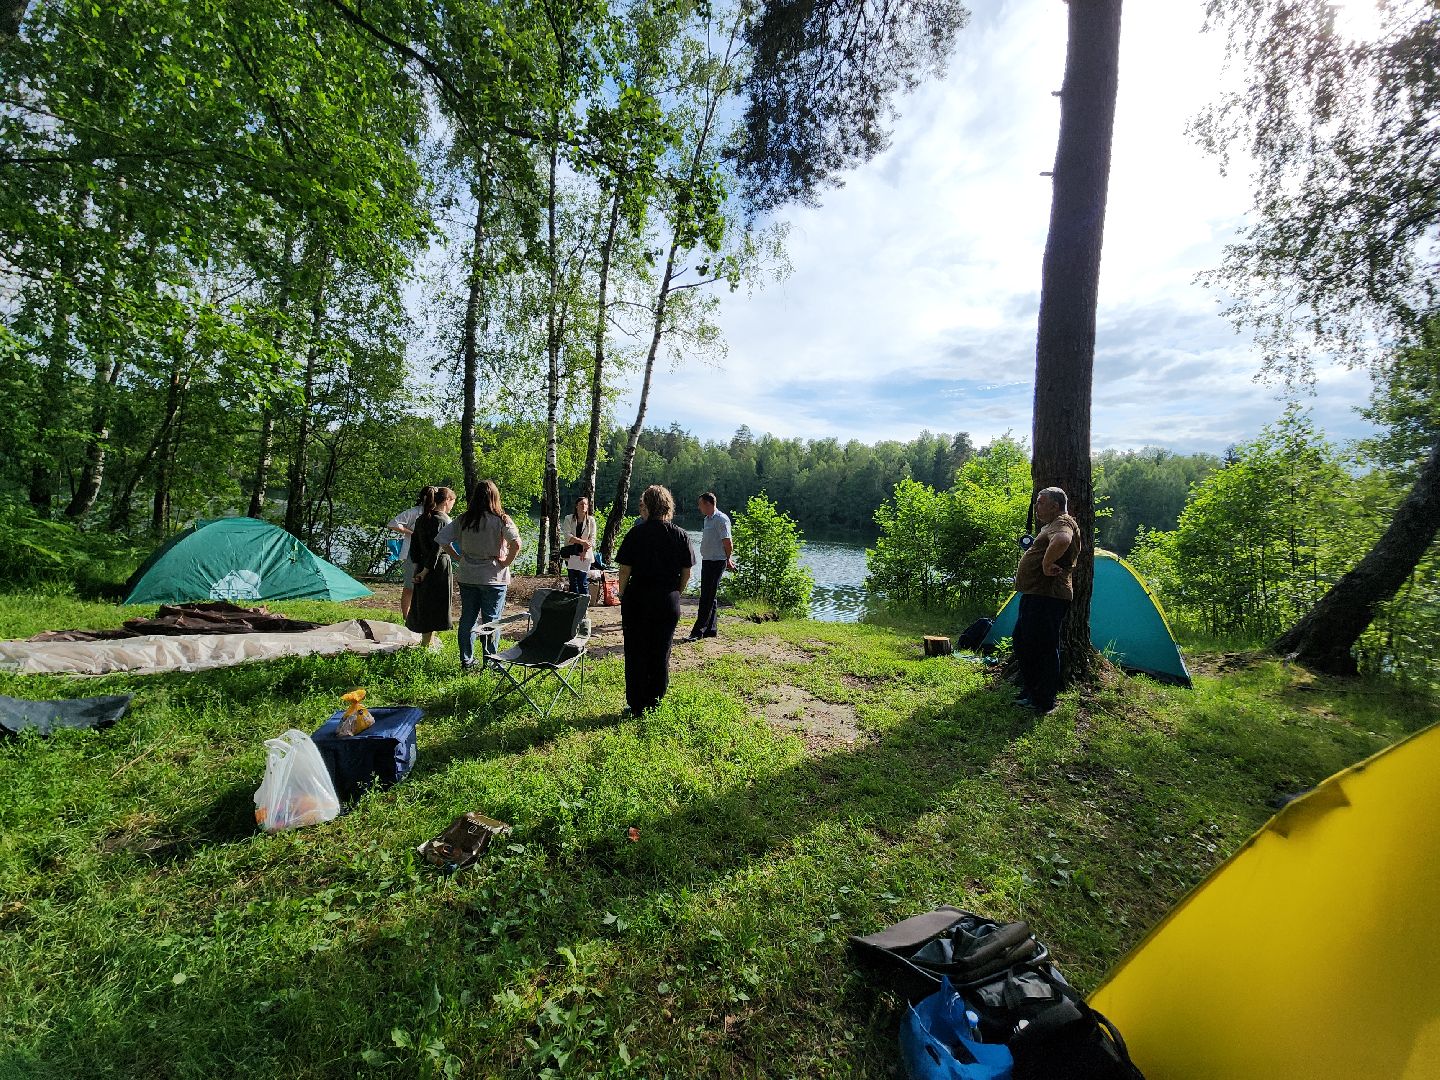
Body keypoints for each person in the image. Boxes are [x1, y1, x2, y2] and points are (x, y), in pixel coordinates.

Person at [615, 484, 694, 716]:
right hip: (667, 600)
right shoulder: (680, 534)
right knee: (661, 651)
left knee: (636, 650)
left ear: (647, 505)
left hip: (638, 599)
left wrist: (621, 593)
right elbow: (686, 572)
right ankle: (655, 701)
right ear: (667, 505)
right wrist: (675, 592)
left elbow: (624, 570)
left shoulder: (636, 533)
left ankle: (637, 703)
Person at [437, 480, 523, 671]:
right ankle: (490, 663)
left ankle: (466, 661)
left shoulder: (464, 519)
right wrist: (506, 562)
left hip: (468, 575)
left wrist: (457, 556)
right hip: (493, 577)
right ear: (495, 497)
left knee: (468, 618)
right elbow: (516, 543)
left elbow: (442, 539)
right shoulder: (501, 519)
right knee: (491, 620)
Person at [1011, 486, 1080, 713]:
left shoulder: (1064, 522)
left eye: (1041, 502)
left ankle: (1044, 700)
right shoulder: (1050, 525)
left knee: (1044, 647)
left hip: (1048, 596)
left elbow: (1062, 540)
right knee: (1023, 641)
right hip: (1035, 594)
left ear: (1055, 505)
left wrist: (1045, 563)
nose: (1036, 506)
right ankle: (1032, 692)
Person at [405, 486, 456, 648]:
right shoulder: (442, 521)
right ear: (447, 501)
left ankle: (428, 640)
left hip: (421, 565)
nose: (453, 505)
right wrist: (426, 571)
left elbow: (414, 547)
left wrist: (417, 568)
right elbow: (437, 548)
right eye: (453, 502)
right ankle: (427, 643)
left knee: (424, 602)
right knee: (435, 603)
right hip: (437, 567)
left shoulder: (421, 519)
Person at [687, 491, 735, 641]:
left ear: (708, 504)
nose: (699, 507)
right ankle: (711, 629)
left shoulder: (721, 519)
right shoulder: (707, 520)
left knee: (706, 597)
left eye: (700, 504)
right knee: (710, 594)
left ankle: (697, 632)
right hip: (708, 560)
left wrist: (728, 559)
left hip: (717, 561)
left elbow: (728, 542)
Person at [386, 488, 429, 620]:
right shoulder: (415, 512)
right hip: (412, 552)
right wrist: (411, 532)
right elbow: (393, 524)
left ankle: (421, 616)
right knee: (409, 586)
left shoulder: (435, 513)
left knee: (425, 587)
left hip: (427, 554)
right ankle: (406, 617)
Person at [560, 496, 597, 595]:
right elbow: (568, 536)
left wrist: (584, 551)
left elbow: (592, 539)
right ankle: (573, 605)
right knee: (573, 582)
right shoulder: (568, 518)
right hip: (571, 553)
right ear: (576, 506)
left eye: (585, 504)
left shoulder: (591, 520)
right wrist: (582, 542)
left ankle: (583, 606)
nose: (583, 506)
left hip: (585, 555)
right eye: (581, 504)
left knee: (582, 581)